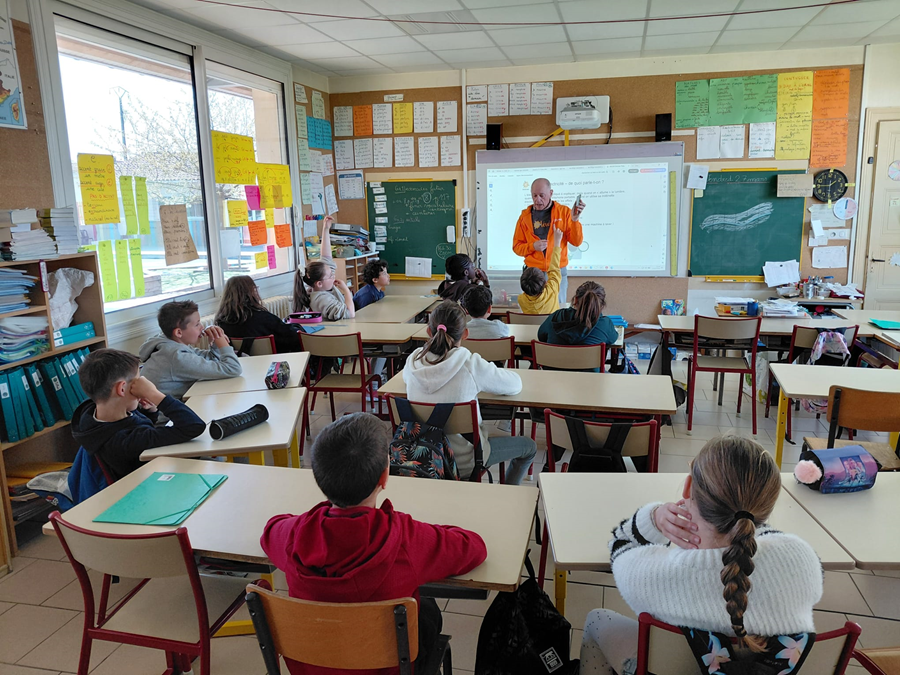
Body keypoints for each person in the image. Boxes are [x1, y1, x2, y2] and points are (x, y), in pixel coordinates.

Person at [261, 412, 487, 675]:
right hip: (389, 667)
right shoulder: (405, 537)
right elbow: (474, 548)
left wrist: (308, 519)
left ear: (320, 480)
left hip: (314, 666)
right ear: (384, 477)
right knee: (427, 609)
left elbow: (270, 530)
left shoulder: (295, 536)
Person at [580, 436, 823, 675]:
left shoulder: (652, 576)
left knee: (597, 619)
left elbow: (620, 543)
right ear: (766, 506)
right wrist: (755, 526)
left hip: (673, 667)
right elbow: (811, 570)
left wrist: (654, 518)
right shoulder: (802, 559)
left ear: (687, 488)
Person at [402, 300, 536, 485]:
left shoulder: (413, 362)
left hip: (422, 455)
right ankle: (508, 492)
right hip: (464, 461)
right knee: (529, 447)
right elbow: (515, 385)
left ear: (428, 331)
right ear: (465, 333)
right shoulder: (470, 364)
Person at [72, 349, 206, 481]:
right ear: (122, 388)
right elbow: (194, 426)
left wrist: (150, 411)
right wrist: (155, 394)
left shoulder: (92, 414)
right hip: (152, 487)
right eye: (137, 380)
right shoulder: (124, 442)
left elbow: (134, 425)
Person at [139, 300, 242, 399]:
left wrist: (215, 341)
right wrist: (220, 339)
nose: (202, 327)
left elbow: (211, 359)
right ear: (179, 333)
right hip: (168, 415)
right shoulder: (177, 356)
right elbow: (233, 369)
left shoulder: (167, 342)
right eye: (197, 324)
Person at [512, 178, 585, 305]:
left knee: (558, 307)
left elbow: (576, 242)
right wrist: (532, 246)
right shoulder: (524, 217)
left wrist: (575, 220)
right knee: (534, 309)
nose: (537, 199)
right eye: (534, 195)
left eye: (541, 195)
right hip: (533, 274)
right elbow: (516, 247)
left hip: (557, 270)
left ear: (551, 193)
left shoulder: (564, 212)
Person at [538, 281, 617, 366]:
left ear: (575, 299)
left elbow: (541, 336)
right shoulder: (605, 324)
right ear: (601, 305)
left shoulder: (556, 316)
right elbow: (613, 339)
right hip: (590, 377)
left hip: (552, 375)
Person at [215, 275, 301, 353]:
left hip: (241, 367)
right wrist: (297, 327)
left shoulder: (221, 324)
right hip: (271, 366)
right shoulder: (264, 318)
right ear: (252, 292)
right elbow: (294, 337)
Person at [292, 215, 355, 320]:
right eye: (331, 276)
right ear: (319, 283)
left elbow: (326, 257)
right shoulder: (321, 299)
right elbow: (350, 313)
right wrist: (346, 290)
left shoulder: (323, 286)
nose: (334, 277)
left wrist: (326, 229)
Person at [518, 225, 564, 315]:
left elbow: (554, 271)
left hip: (531, 329)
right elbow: (554, 268)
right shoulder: (552, 290)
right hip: (550, 329)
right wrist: (557, 241)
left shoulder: (521, 300)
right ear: (545, 282)